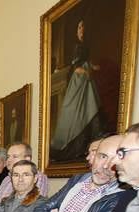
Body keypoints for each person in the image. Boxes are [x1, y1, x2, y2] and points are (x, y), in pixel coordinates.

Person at [50, 18, 102, 162]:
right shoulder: (77, 46)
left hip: (85, 77)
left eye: (83, 26)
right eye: (79, 27)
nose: (81, 30)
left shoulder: (86, 46)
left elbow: (86, 61)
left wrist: (91, 67)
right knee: (73, 110)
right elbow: (75, 65)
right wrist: (83, 70)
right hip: (78, 78)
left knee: (89, 107)